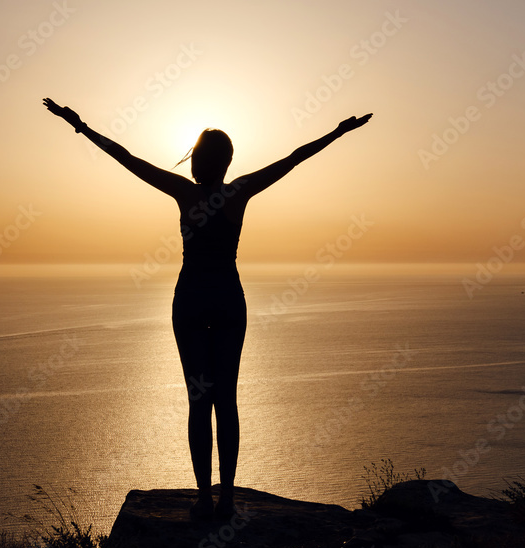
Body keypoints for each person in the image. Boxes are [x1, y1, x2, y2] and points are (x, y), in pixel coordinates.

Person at [42, 97, 372, 519]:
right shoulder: (240, 191)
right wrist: (339, 132)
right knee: (226, 400)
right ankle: (228, 499)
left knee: (199, 400)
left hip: (193, 299)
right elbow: (294, 159)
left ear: (198, 162)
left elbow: (127, 159)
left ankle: (203, 498)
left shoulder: (184, 192)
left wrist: (81, 126)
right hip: (228, 299)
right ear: (228, 161)